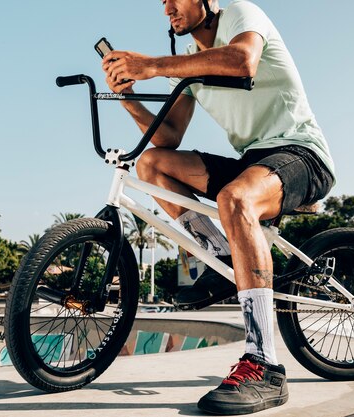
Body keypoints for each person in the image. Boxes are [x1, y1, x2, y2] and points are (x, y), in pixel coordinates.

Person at [102, 0, 334, 414]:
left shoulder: (241, 15)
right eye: (163, 3)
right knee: (152, 165)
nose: (169, 8)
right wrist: (128, 99)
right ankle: (222, 254)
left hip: (300, 153)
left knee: (236, 197)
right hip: (252, 161)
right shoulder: (190, 62)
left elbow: (244, 60)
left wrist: (153, 64)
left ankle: (265, 365)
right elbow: (167, 137)